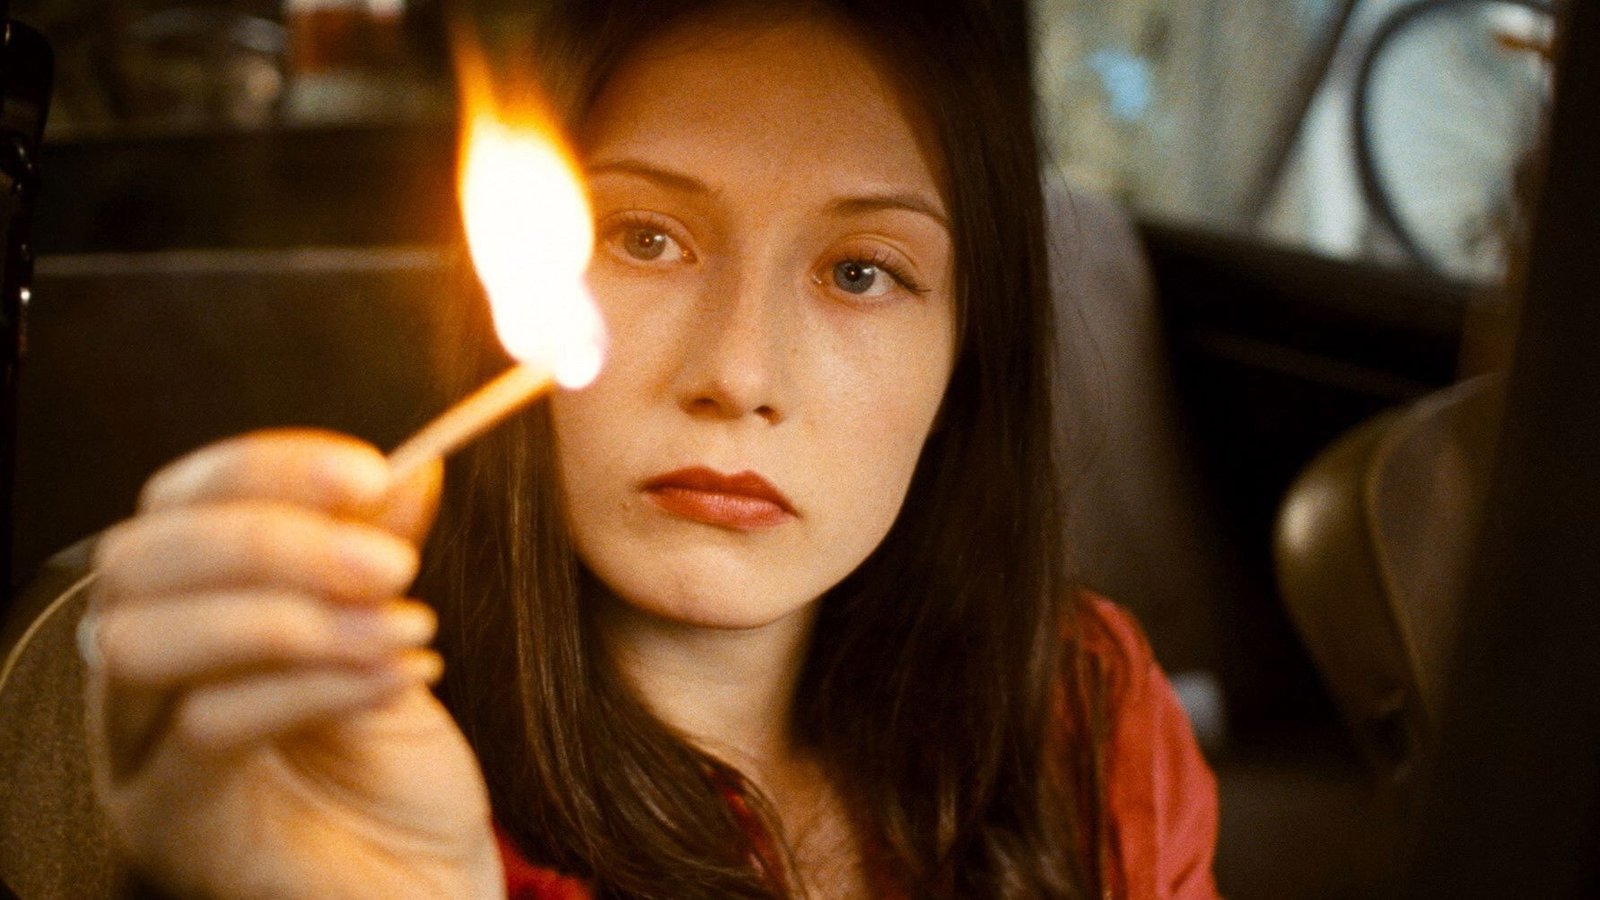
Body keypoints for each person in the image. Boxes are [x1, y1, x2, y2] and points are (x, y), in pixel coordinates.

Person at [81, 1, 1219, 897]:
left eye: (860, 272)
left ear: (966, 357)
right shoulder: (340, 755)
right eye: (645, 239)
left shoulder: (1075, 710)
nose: (738, 374)